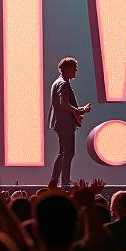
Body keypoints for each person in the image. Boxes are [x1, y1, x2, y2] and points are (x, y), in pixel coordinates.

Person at [47, 56, 90, 190]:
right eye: (74, 69)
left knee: (63, 152)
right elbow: (64, 104)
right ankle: (63, 182)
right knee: (68, 152)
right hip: (64, 123)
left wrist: (79, 111)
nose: (75, 72)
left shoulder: (58, 82)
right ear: (68, 70)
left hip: (60, 122)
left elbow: (63, 105)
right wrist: (79, 110)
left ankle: (56, 180)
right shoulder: (63, 84)